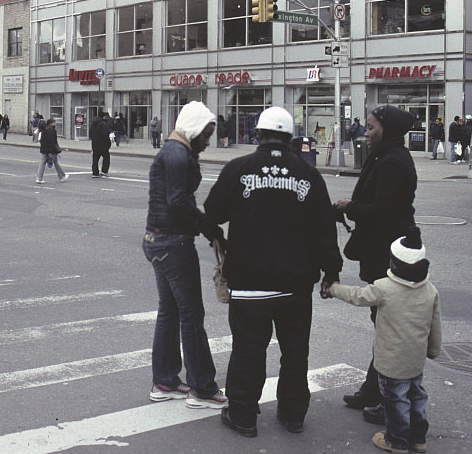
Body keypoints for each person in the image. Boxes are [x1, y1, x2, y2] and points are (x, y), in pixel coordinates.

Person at [204, 107, 343, 438]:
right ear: (290, 137)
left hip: (250, 283)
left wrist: (221, 235)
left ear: (259, 134)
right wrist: (331, 272)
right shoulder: (308, 175)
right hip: (295, 286)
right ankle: (293, 414)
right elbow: (325, 230)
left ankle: (243, 416)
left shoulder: (239, 168)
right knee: (295, 352)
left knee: (248, 350)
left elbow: (211, 214)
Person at [323, 227, 442, 454]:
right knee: (416, 398)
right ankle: (418, 439)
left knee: (395, 401)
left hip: (390, 361)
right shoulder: (430, 291)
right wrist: (434, 350)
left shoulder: (384, 288)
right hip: (415, 361)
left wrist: (334, 289)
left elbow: (358, 296)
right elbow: (435, 325)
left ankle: (396, 440)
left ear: (394, 263)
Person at [333, 105, 417, 417]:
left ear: (388, 128)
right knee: (382, 324)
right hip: (384, 250)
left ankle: (390, 399)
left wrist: (350, 206)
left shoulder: (393, 161)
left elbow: (382, 210)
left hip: (389, 253)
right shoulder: (387, 155)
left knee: (388, 327)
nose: (366, 133)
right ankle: (374, 390)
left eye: (371, 128)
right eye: (366, 127)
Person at [142, 101, 227, 410]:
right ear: (193, 129)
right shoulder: (178, 154)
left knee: (171, 311)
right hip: (174, 244)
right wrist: (209, 228)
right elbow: (179, 200)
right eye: (206, 134)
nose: (208, 141)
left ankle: (164, 381)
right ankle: (202, 388)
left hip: (157, 240)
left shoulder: (172, 151)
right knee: (191, 315)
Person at [36, 118, 68, 183]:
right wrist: (53, 151)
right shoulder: (51, 130)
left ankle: (39, 178)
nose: (55, 124)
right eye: (54, 122)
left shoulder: (45, 129)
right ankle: (62, 176)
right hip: (50, 149)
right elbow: (52, 141)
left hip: (44, 149)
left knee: (43, 163)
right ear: (51, 123)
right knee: (55, 162)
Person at [90, 112, 112, 177]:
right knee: (106, 158)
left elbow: (90, 134)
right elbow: (105, 134)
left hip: (95, 144)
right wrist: (108, 142)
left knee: (95, 159)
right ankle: (104, 171)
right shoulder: (103, 124)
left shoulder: (93, 124)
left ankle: (95, 172)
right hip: (103, 145)